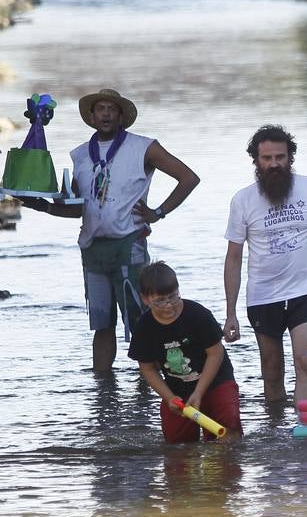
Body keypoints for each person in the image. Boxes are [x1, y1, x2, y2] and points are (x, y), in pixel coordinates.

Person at [20, 88, 199, 373]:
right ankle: (102, 390)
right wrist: (41, 206)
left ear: (121, 116)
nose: (105, 113)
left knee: (142, 320)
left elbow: (188, 178)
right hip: (92, 249)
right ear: (91, 117)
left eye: (111, 109)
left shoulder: (144, 147)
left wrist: (158, 213)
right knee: (101, 324)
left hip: (129, 244)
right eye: (99, 109)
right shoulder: (80, 155)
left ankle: (151, 384)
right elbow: (79, 208)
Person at [223, 125, 307, 403]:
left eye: (280, 157)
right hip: (263, 295)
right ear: (256, 161)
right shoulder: (242, 200)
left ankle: (305, 432)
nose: (274, 164)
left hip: (304, 291)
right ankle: (276, 432)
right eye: (267, 158)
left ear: (290, 158)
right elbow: (234, 258)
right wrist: (230, 313)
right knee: (272, 371)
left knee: (305, 362)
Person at [128, 261, 242, 443]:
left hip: (215, 379)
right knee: (177, 444)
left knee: (227, 429)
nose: (168, 305)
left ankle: (225, 467)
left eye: (173, 297)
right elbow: (148, 369)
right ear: (145, 299)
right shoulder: (144, 327)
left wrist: (199, 392)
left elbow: (216, 353)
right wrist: (169, 397)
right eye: (160, 301)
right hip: (177, 388)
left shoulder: (197, 314)